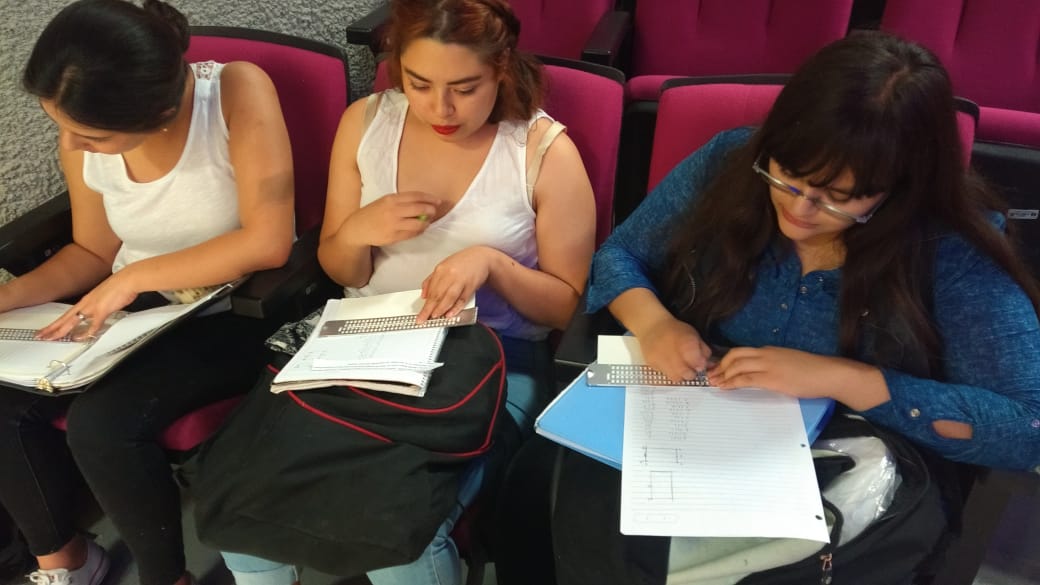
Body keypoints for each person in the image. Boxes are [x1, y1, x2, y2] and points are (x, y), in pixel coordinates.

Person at [539, 31, 1040, 584]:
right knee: (585, 528)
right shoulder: (731, 161)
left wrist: (840, 377)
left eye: (837, 197)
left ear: (901, 185)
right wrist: (654, 322)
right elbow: (623, 254)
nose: (800, 209)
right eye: (788, 176)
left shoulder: (950, 246)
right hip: (701, 423)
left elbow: (1025, 426)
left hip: (854, 455)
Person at [211, 0, 596, 584]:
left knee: (398, 540)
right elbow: (345, 269)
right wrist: (358, 231)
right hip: (364, 342)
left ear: (501, 68)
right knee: (242, 517)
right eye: (419, 84)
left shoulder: (542, 151)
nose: (440, 108)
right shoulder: (367, 122)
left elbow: (569, 306)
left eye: (465, 88)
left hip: (490, 359)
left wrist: (493, 264)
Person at [0, 0, 295, 584]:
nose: (73, 145)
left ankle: (168, 577)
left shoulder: (236, 90)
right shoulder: (83, 132)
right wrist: (8, 298)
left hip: (235, 309)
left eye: (91, 136)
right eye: (62, 126)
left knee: (103, 424)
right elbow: (92, 253)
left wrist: (131, 279)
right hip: (135, 314)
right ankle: (66, 562)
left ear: (161, 113)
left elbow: (269, 241)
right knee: (5, 399)